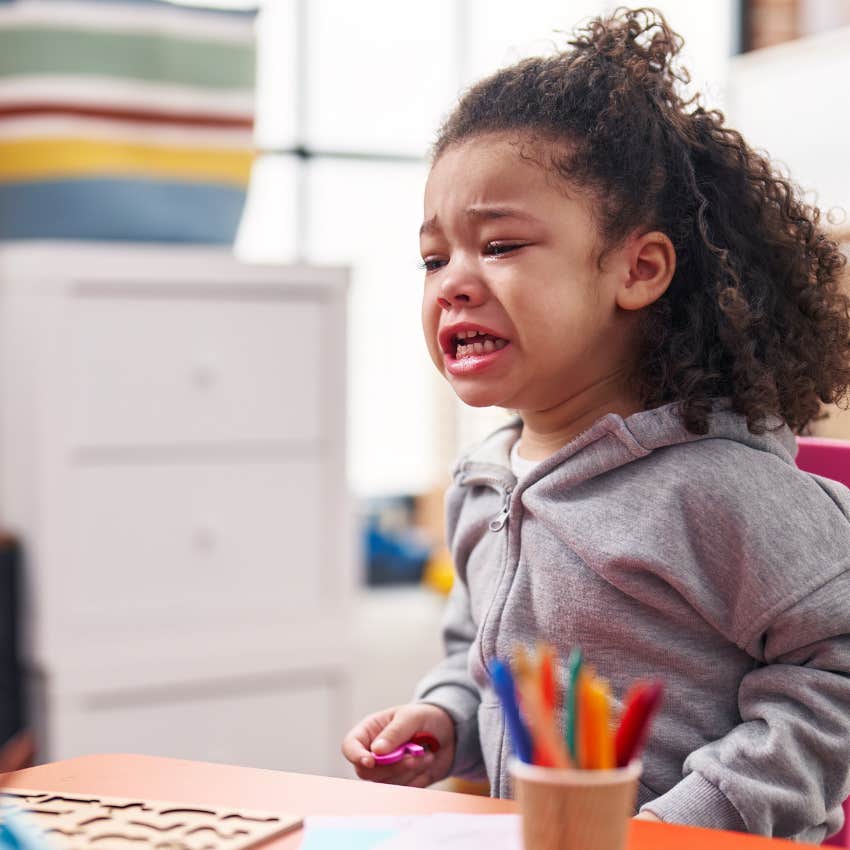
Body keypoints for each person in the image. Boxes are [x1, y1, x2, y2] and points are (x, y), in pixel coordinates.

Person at [341, 7, 850, 841]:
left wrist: (691, 822)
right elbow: (481, 661)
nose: (454, 281)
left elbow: (837, 670)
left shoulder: (720, 490)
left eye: (500, 246)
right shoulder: (482, 485)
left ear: (637, 270)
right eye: (435, 257)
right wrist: (445, 717)